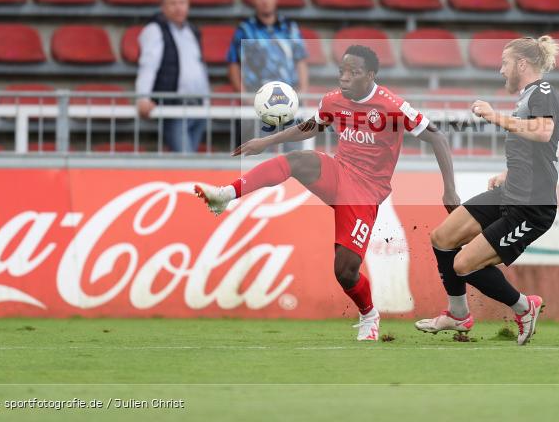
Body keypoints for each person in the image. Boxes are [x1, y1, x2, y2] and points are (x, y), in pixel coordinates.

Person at [194, 45, 460, 341]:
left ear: (370, 75)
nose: (344, 78)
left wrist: (449, 188)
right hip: (339, 172)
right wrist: (265, 142)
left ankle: (369, 313)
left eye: (353, 73)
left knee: (345, 271)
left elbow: (437, 136)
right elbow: (311, 127)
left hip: (365, 192)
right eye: (341, 72)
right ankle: (226, 195)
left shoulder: (392, 106)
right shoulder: (333, 101)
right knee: (299, 160)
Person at [414, 36, 559, 346]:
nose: (501, 70)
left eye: (505, 63)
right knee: (442, 238)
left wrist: (494, 115)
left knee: (464, 264)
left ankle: (524, 306)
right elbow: (541, 148)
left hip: (531, 206)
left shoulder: (544, 91)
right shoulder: (528, 97)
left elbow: (544, 130)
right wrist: (508, 173)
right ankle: (458, 315)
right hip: (511, 192)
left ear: (522, 64)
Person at [227, 0, 309, 152]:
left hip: (289, 100)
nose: (264, 0)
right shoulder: (245, 30)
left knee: (295, 154)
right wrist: (244, 95)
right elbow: (234, 63)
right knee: (259, 154)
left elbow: (300, 60)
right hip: (258, 101)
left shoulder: (290, 27)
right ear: (253, 1)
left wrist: (303, 91)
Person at [135, 0, 210, 153]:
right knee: (185, 159)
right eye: (173, 3)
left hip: (198, 105)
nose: (178, 7)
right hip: (175, 106)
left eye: (182, 2)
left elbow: (199, 66)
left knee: (191, 156)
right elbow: (148, 65)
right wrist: (143, 97)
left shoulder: (192, 30)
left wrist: (206, 101)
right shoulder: (155, 30)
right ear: (163, 7)